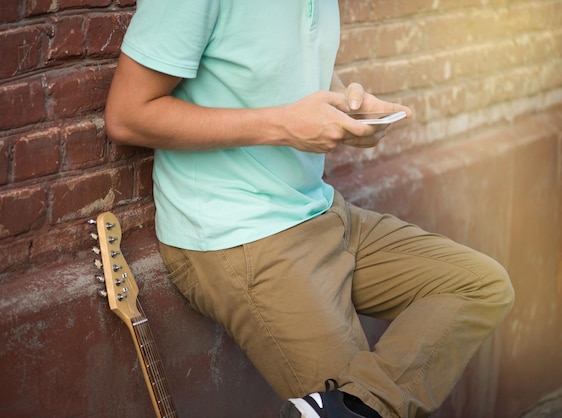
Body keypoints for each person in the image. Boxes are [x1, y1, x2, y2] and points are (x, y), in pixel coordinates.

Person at [105, 1, 515, 417]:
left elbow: (279, 80)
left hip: (318, 208)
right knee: (356, 403)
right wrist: (285, 125)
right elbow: (127, 116)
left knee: (479, 285)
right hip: (238, 233)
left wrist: (347, 112)